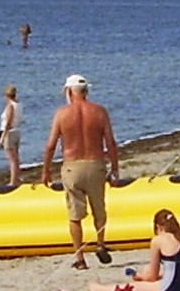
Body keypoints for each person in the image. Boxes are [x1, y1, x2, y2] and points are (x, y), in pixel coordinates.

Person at [38, 73, 120, 269]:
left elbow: (50, 145)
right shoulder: (99, 112)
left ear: (69, 91)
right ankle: (100, 244)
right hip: (95, 164)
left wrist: (46, 170)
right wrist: (115, 168)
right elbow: (110, 142)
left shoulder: (62, 114)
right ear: (86, 91)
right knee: (99, 209)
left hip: (72, 166)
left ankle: (80, 257)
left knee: (75, 215)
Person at [116, 208, 180, 291]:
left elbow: (151, 277)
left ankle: (102, 289)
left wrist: (138, 276)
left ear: (158, 226)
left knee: (122, 289)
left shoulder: (158, 240)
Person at [0, 85, 22, 187]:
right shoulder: (19, 104)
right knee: (16, 157)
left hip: (9, 133)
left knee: (12, 159)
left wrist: (2, 137)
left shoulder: (10, 106)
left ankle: (13, 181)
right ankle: (17, 178)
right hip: (17, 131)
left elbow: (8, 122)